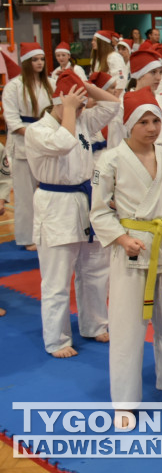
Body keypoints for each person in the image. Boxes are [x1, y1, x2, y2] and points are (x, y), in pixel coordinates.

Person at [90, 89, 162, 408]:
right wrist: (122, 238)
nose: (152, 127)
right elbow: (99, 210)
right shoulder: (111, 159)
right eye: (144, 121)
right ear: (129, 124)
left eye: (156, 120)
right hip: (132, 249)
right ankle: (125, 403)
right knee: (128, 329)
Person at [26, 70, 119, 358]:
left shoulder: (80, 121)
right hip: (55, 205)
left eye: (82, 104)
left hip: (85, 203)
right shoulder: (38, 130)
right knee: (56, 280)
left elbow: (113, 105)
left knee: (94, 271)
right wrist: (68, 105)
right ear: (58, 103)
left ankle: (94, 324)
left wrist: (85, 86)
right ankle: (57, 339)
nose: (83, 109)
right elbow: (63, 144)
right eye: (76, 104)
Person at [2, 42, 53, 248]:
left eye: (41, 59)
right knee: (25, 195)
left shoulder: (50, 83)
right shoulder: (14, 86)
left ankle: (48, 233)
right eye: (34, 59)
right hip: (24, 143)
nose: (39, 63)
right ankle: (27, 237)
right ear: (25, 62)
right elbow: (12, 120)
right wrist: (35, 135)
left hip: (47, 142)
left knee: (49, 193)